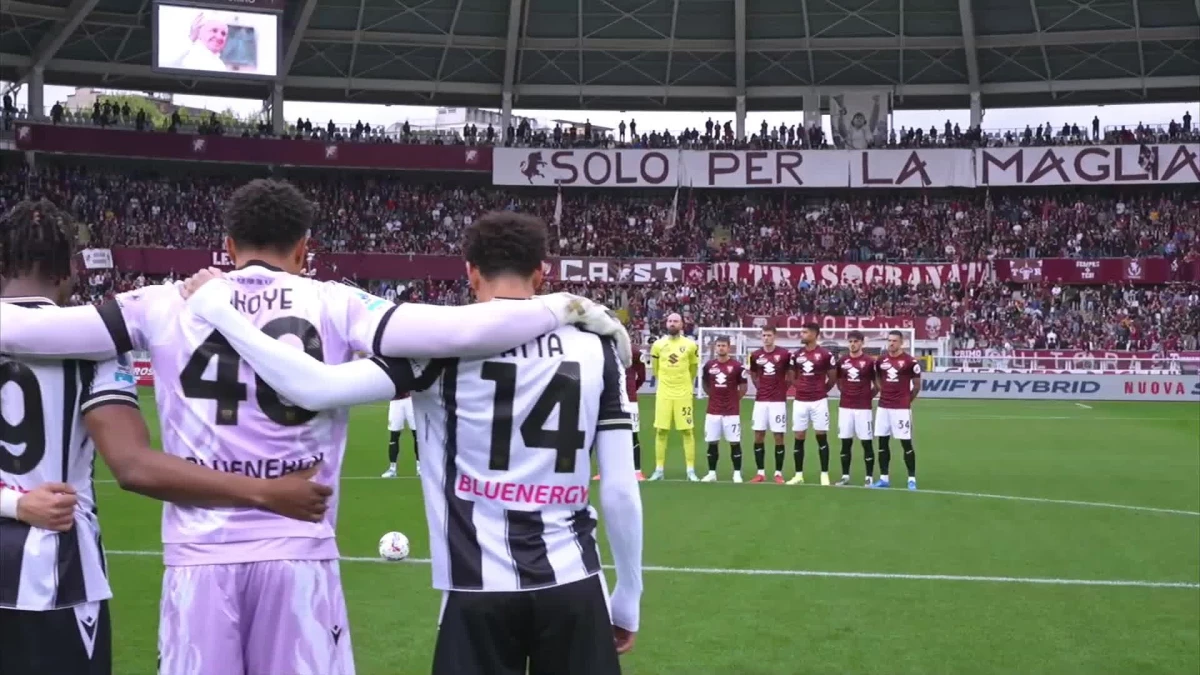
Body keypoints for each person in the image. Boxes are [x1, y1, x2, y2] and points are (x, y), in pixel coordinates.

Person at [0, 180, 634, 675]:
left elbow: (27, 328)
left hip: (200, 560)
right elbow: (465, 329)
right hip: (299, 548)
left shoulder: (163, 302)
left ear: (226, 244)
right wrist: (566, 307)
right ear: (305, 246)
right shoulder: (338, 302)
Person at [179, 210, 644, 675]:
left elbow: (313, 388)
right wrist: (628, 595)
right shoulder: (597, 348)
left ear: (470, 272)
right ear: (541, 274)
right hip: (575, 586)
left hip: (477, 590)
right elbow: (621, 489)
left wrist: (222, 314)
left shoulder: (438, 348)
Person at [0, 199, 330, 675]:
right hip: (52, 580)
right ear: (68, 272)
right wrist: (264, 492)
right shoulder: (92, 350)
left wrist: (12, 504)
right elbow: (132, 466)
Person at [648, 313, 700, 481]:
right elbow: (655, 369)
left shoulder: (690, 345)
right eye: (670, 321)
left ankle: (690, 470)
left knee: (687, 430)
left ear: (682, 324)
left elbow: (693, 368)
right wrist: (665, 382)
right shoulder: (658, 345)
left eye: (675, 321)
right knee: (661, 430)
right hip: (664, 393)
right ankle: (659, 470)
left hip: (683, 393)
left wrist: (684, 384)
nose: (672, 323)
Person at [787, 323, 837, 486]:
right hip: (800, 401)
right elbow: (791, 375)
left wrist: (822, 390)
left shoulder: (825, 354)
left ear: (815, 334)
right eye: (801, 331)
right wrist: (798, 386)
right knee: (799, 437)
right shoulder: (796, 355)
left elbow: (832, 377)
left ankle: (824, 474)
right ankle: (798, 474)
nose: (802, 334)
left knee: (821, 436)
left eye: (805, 332)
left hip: (818, 402)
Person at [873, 330, 921, 490]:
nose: (891, 343)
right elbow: (878, 377)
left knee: (906, 443)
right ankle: (884, 478)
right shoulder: (881, 360)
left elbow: (917, 385)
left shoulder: (909, 362)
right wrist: (882, 390)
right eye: (889, 340)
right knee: (882, 443)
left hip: (901, 408)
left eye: (894, 341)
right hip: (883, 407)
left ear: (902, 343)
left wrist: (907, 400)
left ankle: (911, 478)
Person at [700, 336, 747, 482]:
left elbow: (744, 387)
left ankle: (737, 473)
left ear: (729, 347)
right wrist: (713, 397)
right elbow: (705, 383)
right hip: (713, 411)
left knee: (734, 442)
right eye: (718, 345)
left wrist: (733, 399)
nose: (721, 348)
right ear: (715, 347)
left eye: (723, 346)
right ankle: (712, 473)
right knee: (712, 442)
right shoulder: (709, 366)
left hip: (731, 412)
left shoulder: (737, 366)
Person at [748, 325, 791, 483]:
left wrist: (783, 388)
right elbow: (753, 373)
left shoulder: (784, 354)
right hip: (761, 401)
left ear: (775, 336)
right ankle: (760, 473)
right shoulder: (755, 355)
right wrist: (760, 386)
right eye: (764, 335)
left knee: (778, 436)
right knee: (759, 435)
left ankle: (778, 473)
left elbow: (791, 374)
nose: (766, 338)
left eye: (769, 335)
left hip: (778, 401)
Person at [835, 331, 878, 486]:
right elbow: (839, 380)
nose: (852, 344)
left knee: (866, 442)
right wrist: (845, 392)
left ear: (862, 343)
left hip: (863, 408)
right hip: (845, 407)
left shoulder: (869, 362)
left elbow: (877, 384)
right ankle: (845, 476)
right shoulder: (842, 361)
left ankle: (869, 477)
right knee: (846, 443)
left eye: (856, 341)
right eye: (850, 341)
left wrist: (868, 396)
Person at [382, 390, 418, 477]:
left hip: (411, 400)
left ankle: (420, 468)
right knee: (394, 435)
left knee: (416, 434)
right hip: (395, 402)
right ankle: (392, 469)